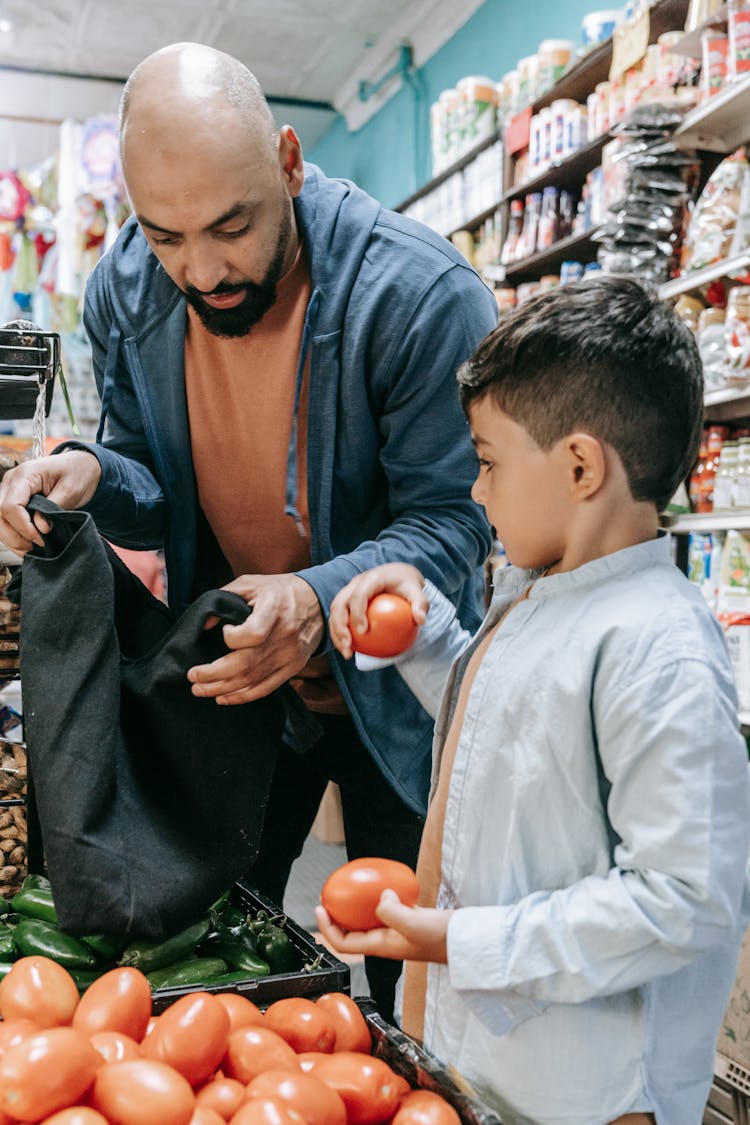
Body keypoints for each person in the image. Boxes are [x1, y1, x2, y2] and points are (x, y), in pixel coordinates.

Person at [0, 43, 496, 1018]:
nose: (204, 268)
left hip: (402, 700)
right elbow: (153, 480)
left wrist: (314, 600)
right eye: (167, 236)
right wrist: (95, 472)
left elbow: (453, 524)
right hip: (233, 686)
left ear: (288, 160)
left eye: (232, 225)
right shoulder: (126, 289)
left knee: (416, 989)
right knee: (217, 959)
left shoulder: (419, 298)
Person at [318, 276, 750, 1125]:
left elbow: (683, 899)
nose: (476, 492)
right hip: (499, 1068)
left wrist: (457, 940)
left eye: (487, 461)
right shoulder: (545, 594)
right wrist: (427, 635)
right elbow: (507, 732)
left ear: (581, 465)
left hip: (592, 1097)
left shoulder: (656, 648)